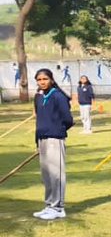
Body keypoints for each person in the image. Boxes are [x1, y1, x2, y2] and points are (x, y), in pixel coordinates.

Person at [33, 68, 73, 220]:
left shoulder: (58, 96)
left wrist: (57, 130)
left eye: (45, 79)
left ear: (51, 79)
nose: (42, 82)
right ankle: (49, 205)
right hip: (42, 139)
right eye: (39, 80)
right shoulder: (39, 97)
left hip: (55, 139)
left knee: (56, 174)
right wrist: (37, 141)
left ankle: (58, 208)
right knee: (47, 175)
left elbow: (68, 119)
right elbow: (39, 120)